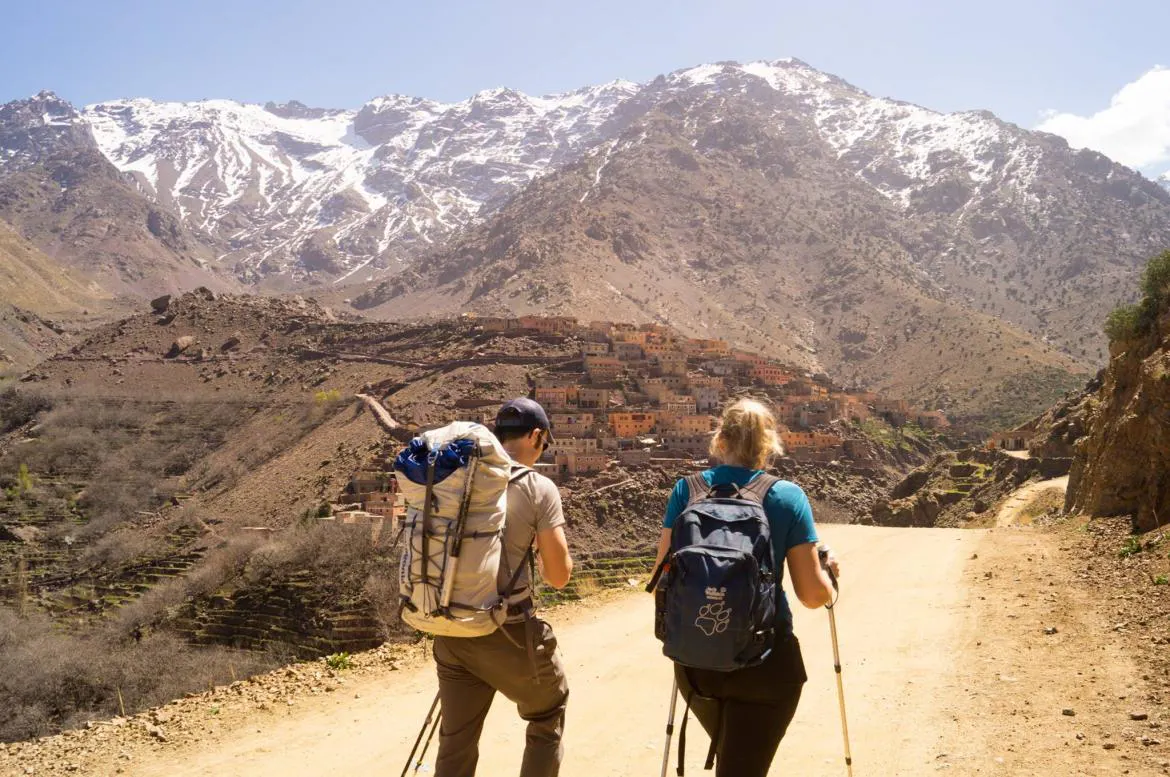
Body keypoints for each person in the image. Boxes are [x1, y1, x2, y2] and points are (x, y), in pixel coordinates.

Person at [653, 397, 840, 777]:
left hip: (695, 661)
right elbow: (811, 595)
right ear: (768, 445)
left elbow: (661, 576)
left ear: (719, 439)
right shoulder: (787, 496)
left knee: (734, 758)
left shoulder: (685, 492)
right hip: (766, 666)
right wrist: (831, 578)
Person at [432, 398, 574, 777]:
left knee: (456, 739)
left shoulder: (457, 477)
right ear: (536, 436)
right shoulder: (537, 487)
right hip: (505, 632)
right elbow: (559, 577)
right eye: (545, 442)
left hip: (449, 630)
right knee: (548, 710)